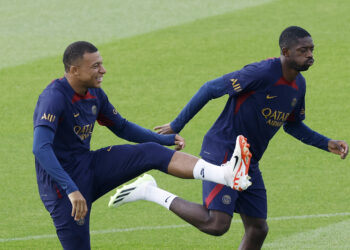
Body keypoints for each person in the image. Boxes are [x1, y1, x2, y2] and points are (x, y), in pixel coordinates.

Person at [109, 26, 348, 249]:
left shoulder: (299, 85)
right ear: (285, 52)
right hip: (223, 149)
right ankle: (150, 191)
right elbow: (210, 88)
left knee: (257, 228)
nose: (310, 55)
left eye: (311, 50)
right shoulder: (261, 72)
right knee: (217, 224)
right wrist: (176, 124)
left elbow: (293, 126)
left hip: (248, 160)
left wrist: (327, 143)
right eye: (303, 50)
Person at [32, 41, 253, 250]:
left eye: (101, 64)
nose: (103, 70)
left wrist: (164, 139)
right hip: (61, 188)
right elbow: (40, 148)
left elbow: (122, 127)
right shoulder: (54, 98)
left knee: (151, 152)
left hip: (89, 166)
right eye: (96, 66)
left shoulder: (94, 94)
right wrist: (71, 190)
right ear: (74, 70)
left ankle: (224, 174)